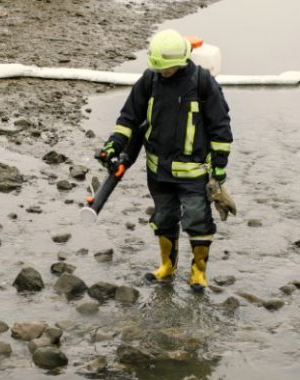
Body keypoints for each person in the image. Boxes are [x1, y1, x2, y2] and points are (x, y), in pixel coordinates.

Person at [96, 29, 234, 292]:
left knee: (197, 220)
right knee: (164, 218)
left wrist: (219, 166)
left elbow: (220, 126)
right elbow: (129, 118)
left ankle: (198, 272)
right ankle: (167, 267)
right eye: (160, 68)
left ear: (181, 61)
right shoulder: (150, 80)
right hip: (158, 172)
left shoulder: (203, 83)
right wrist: (114, 144)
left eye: (168, 68)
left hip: (194, 174)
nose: (164, 72)